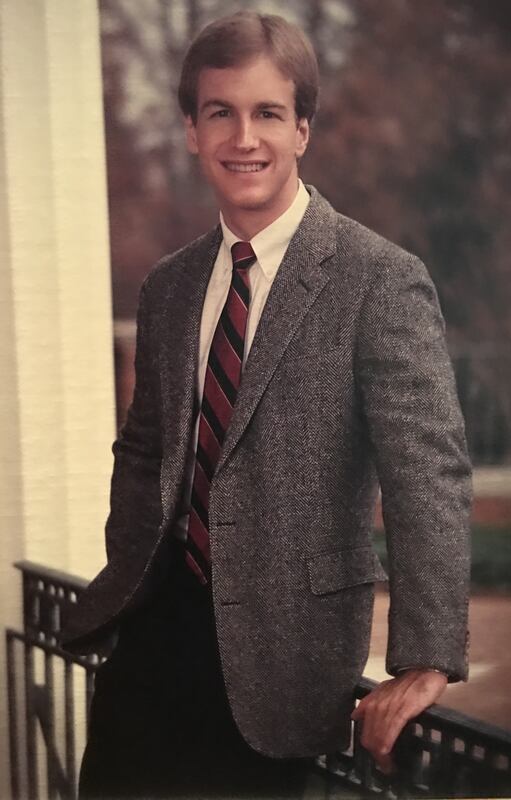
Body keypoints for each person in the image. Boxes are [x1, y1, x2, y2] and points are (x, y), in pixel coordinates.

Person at [61, 10, 472, 799]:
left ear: (302, 130)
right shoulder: (170, 286)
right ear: (191, 129)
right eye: (220, 112)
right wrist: (127, 572)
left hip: (283, 668)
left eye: (267, 113)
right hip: (152, 649)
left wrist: (426, 658)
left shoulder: (377, 281)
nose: (243, 137)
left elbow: (429, 474)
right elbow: (145, 447)